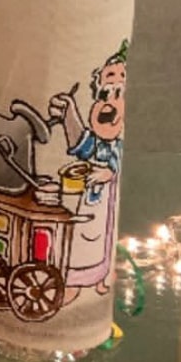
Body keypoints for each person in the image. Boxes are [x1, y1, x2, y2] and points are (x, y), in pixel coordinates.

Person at [48, 40, 128, 293]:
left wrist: (108, 172)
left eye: (117, 94)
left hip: (103, 204)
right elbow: (81, 144)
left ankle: (97, 277)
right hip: (86, 199)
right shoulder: (96, 142)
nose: (108, 104)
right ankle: (72, 278)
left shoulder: (112, 144)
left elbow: (112, 163)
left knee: (97, 238)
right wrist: (69, 114)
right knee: (80, 234)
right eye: (104, 95)